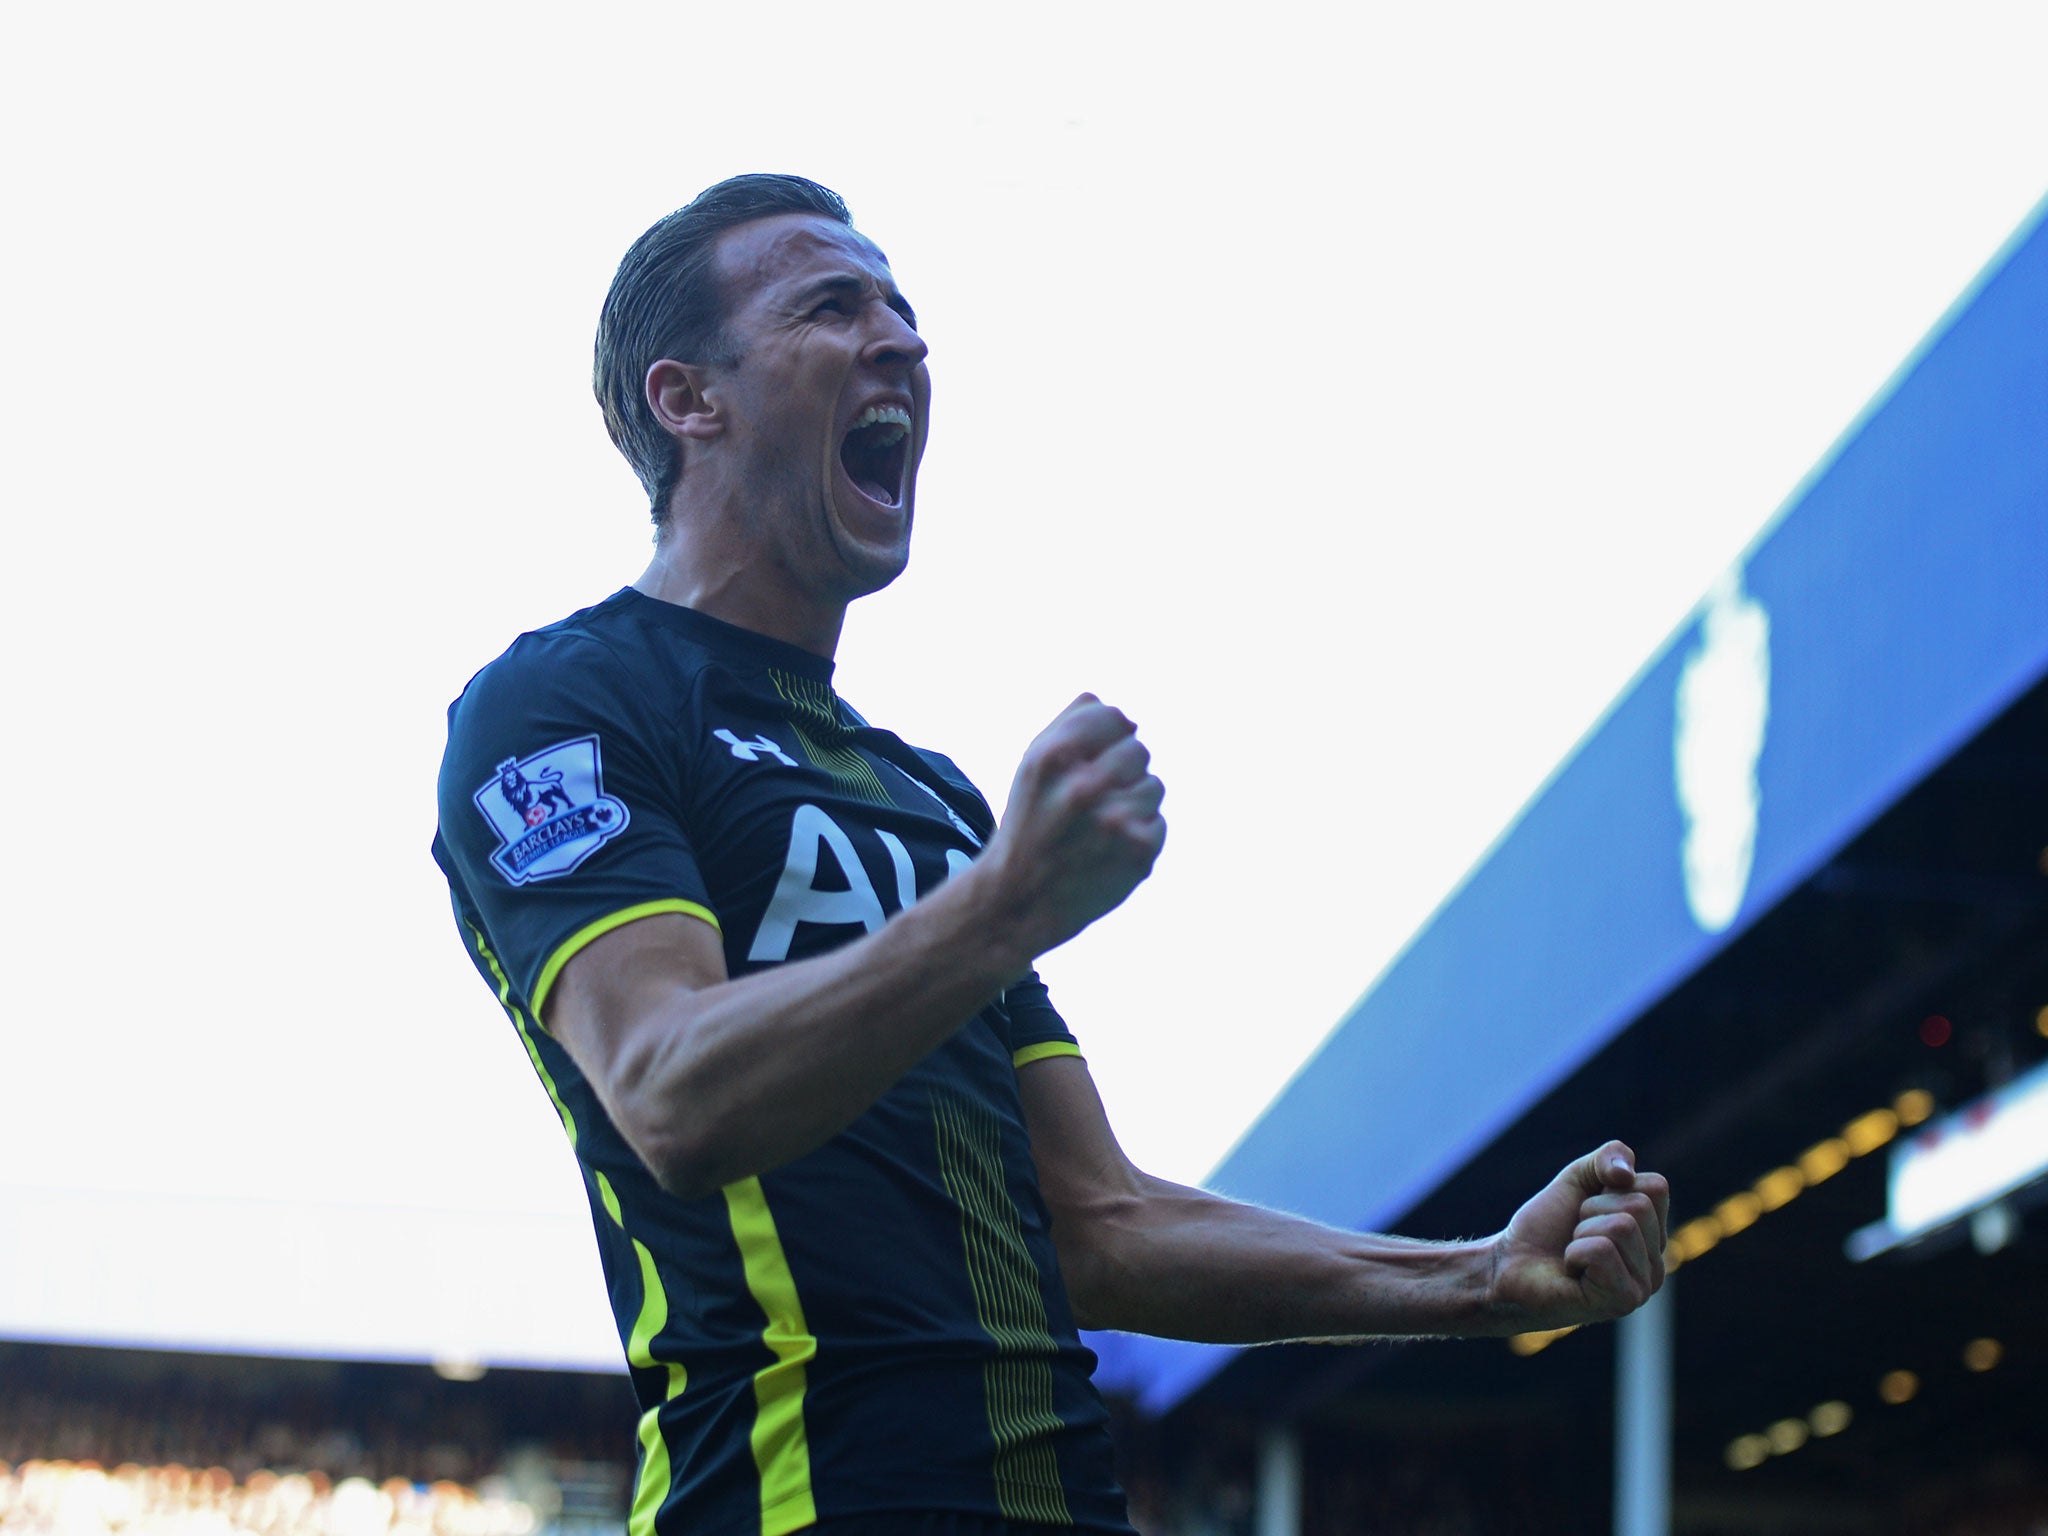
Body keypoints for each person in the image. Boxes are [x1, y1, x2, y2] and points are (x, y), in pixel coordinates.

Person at [431, 174, 1670, 1536]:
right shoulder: (566, 702)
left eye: (905, 312)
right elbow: (671, 1097)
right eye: (832, 306)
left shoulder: (927, 797)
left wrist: (1480, 1276)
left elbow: (1098, 1222)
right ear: (689, 399)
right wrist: (1004, 906)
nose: (900, 341)